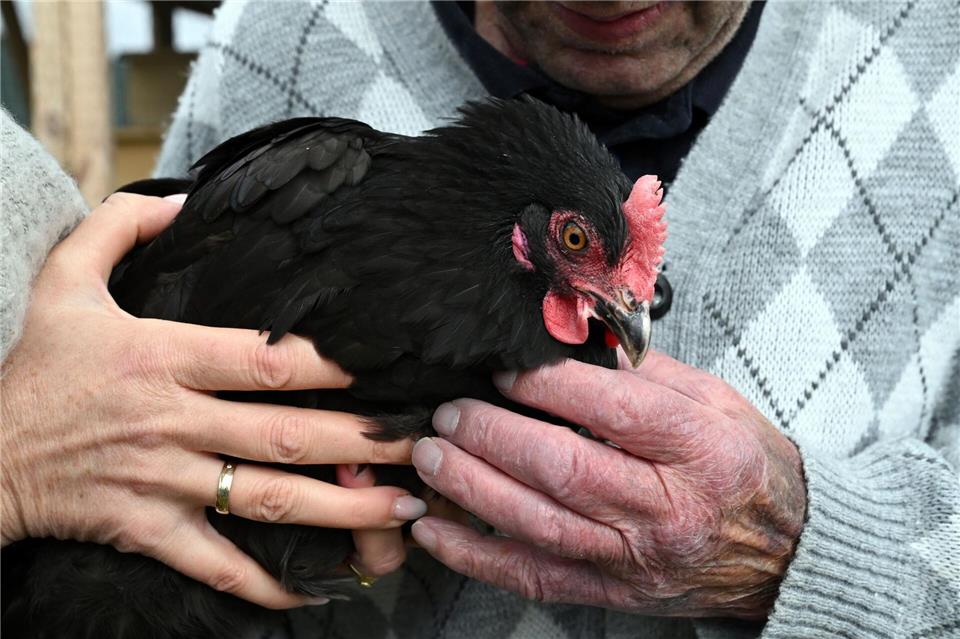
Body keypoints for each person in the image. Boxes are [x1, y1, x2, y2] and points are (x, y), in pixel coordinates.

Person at [1, 1, 957, 638]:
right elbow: (99, 421)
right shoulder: (281, 39)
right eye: (579, 241)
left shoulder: (937, 64)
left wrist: (812, 551)